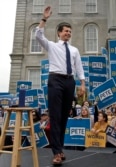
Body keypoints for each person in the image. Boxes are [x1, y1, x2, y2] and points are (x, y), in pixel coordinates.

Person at [35, 6, 85, 165]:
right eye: (65, 31)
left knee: (64, 117)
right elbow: (38, 35)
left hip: (70, 81)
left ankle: (60, 148)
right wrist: (44, 19)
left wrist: (82, 83)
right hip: (55, 80)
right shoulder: (52, 46)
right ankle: (56, 152)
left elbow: (79, 67)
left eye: (70, 31)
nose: (68, 33)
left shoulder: (75, 50)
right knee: (55, 117)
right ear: (59, 33)